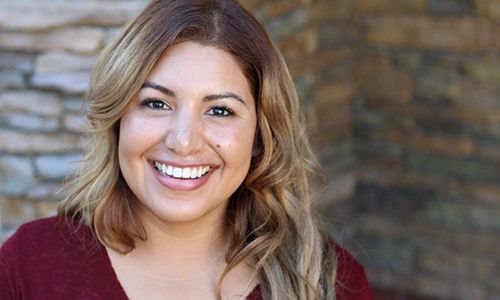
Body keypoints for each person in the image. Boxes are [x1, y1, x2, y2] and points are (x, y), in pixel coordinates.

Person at [0, 0, 374, 299]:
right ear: (117, 119)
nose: (183, 141)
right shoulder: (27, 267)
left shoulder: (327, 283)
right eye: (156, 103)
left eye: (220, 110)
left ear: (261, 136)